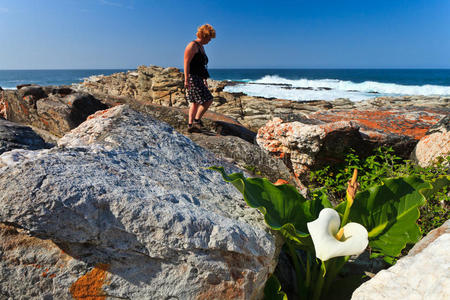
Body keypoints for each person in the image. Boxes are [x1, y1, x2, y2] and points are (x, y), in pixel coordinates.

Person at [184, 24, 216, 133]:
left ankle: (190, 125)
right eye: (209, 38)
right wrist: (186, 79)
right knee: (208, 99)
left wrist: (204, 79)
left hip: (199, 77)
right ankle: (197, 121)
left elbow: (201, 66)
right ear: (204, 35)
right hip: (192, 77)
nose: (210, 40)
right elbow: (186, 63)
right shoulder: (192, 45)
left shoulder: (201, 47)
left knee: (195, 102)